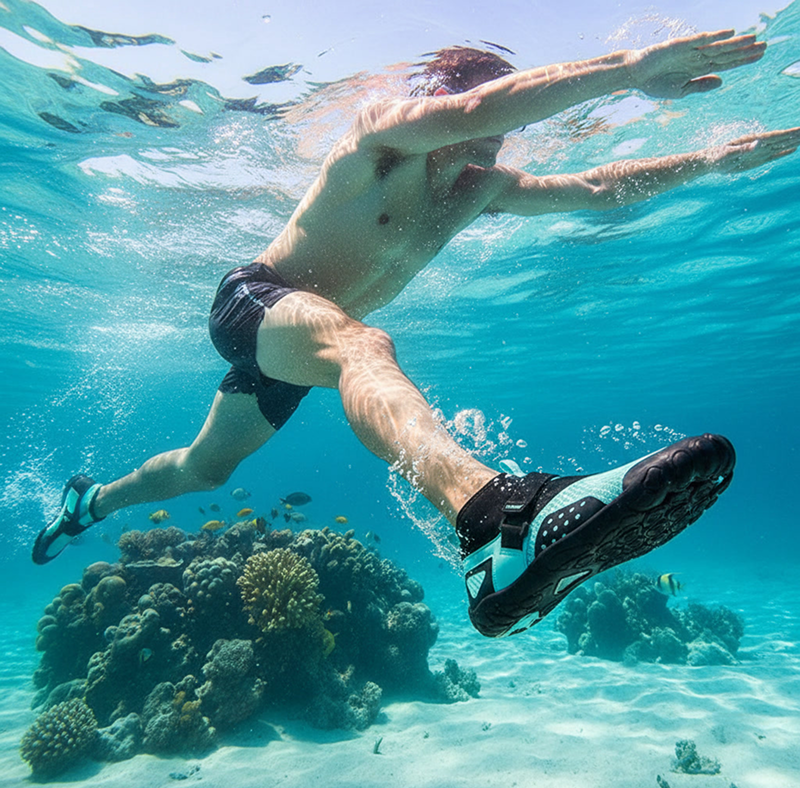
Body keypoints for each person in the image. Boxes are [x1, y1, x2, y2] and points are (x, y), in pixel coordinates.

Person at [34, 30, 799, 638]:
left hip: (296, 346)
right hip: (255, 303)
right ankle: (492, 516)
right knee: (363, 346)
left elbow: (597, 187)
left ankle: (88, 502)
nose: (491, 145)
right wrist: (631, 69)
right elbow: (476, 112)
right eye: (489, 123)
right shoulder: (381, 140)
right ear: (439, 99)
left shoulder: (480, 189)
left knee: (205, 469)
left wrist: (710, 159)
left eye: (502, 136)